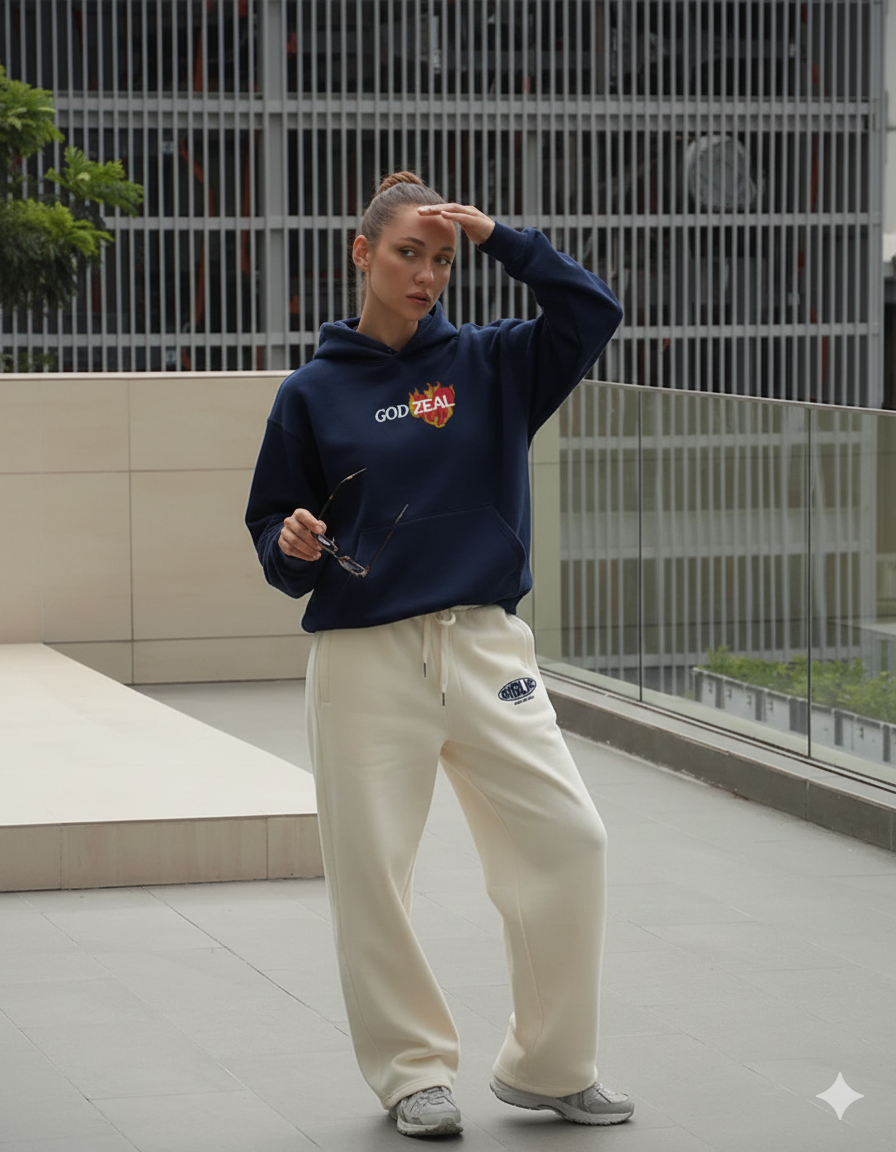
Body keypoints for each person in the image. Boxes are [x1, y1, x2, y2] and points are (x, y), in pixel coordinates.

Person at [246, 171, 633, 1139]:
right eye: (408, 253)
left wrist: (504, 237)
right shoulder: (310, 394)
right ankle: (411, 1073)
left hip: (488, 647)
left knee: (570, 841)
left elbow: (591, 311)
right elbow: (273, 531)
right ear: (362, 253)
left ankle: (550, 1065)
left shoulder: (495, 364)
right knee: (373, 875)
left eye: (443, 260)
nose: (426, 275)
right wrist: (290, 544)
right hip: (365, 657)